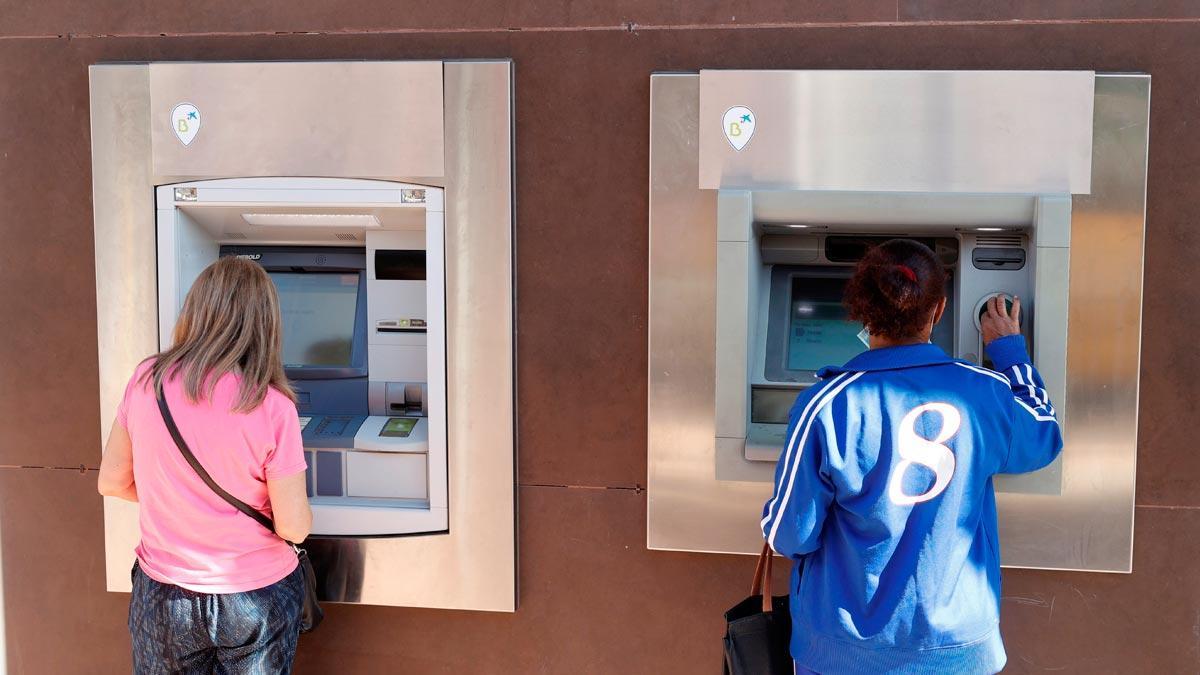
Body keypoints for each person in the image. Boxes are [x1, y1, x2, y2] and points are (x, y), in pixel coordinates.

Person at [760, 239, 1063, 675]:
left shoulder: (824, 405)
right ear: (938, 310)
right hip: (957, 650)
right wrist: (1009, 351)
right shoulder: (983, 392)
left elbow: (790, 535)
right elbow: (1044, 434)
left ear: (861, 311)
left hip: (842, 655)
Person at [97, 256, 313, 674]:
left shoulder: (147, 382)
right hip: (255, 595)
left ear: (195, 310)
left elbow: (112, 480)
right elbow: (293, 527)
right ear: (265, 323)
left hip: (163, 593)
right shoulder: (272, 406)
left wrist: (179, 501)